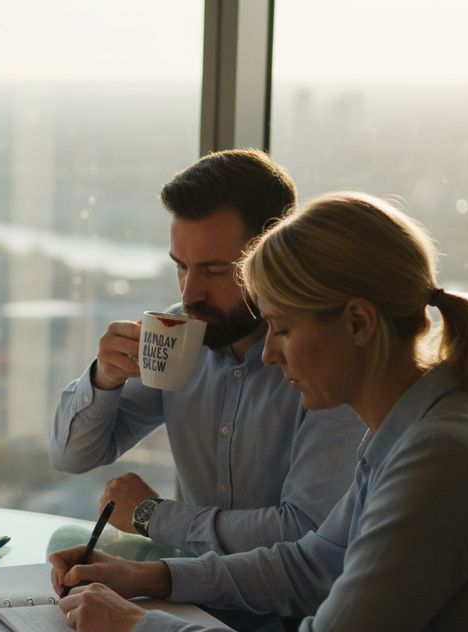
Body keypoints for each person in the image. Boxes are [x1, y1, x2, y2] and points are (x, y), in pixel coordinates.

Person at [51, 192, 468, 632]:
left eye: (282, 329)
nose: (267, 356)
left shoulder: (441, 457)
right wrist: (152, 576)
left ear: (359, 322)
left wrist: (136, 628)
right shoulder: (423, 424)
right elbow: (315, 561)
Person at [50, 150, 364, 555]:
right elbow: (71, 456)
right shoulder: (178, 334)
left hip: (286, 612)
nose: (189, 293)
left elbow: (305, 535)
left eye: (216, 271)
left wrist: (152, 515)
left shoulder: (322, 359)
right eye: (181, 266)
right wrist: (103, 379)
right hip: (193, 589)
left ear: (276, 254)